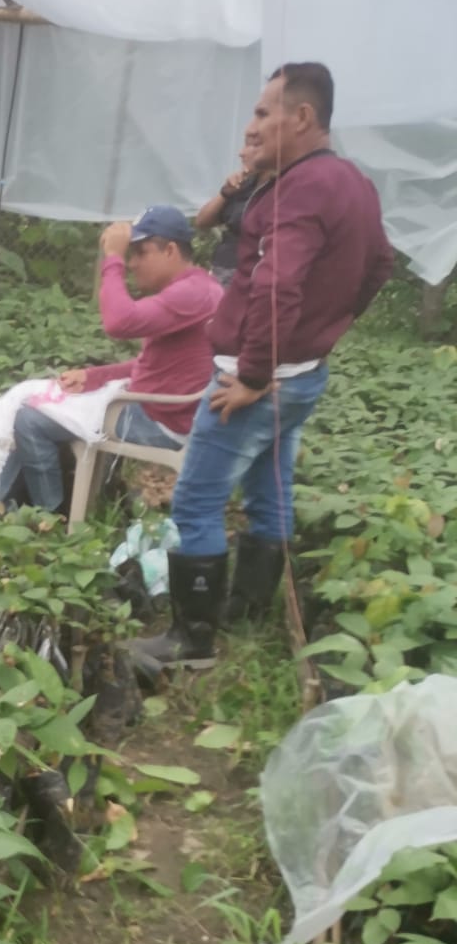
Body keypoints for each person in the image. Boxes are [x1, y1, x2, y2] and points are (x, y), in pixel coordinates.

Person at [136, 62, 395, 675]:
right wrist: (326, 332)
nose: (251, 127)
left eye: (261, 113)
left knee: (195, 502)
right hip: (302, 374)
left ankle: (192, 643)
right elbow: (380, 263)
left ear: (301, 117)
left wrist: (253, 374)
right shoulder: (353, 182)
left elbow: (276, 285)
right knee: (269, 489)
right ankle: (247, 616)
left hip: (253, 380)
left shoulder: (297, 189)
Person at [2, 207, 220, 513]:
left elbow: (119, 323)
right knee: (38, 400)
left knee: (30, 419)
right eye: (130, 254)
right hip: (159, 408)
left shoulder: (191, 293)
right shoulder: (198, 288)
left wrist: (113, 257)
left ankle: (47, 515)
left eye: (140, 253)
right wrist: (94, 376)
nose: (132, 263)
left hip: (159, 421)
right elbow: (151, 365)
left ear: (170, 250)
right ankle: (3, 503)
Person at [194, 142, 268, 285]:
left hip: (249, 273)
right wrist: (225, 193)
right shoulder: (245, 184)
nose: (241, 153)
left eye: (249, 145)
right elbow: (202, 221)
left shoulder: (280, 188)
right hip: (223, 268)